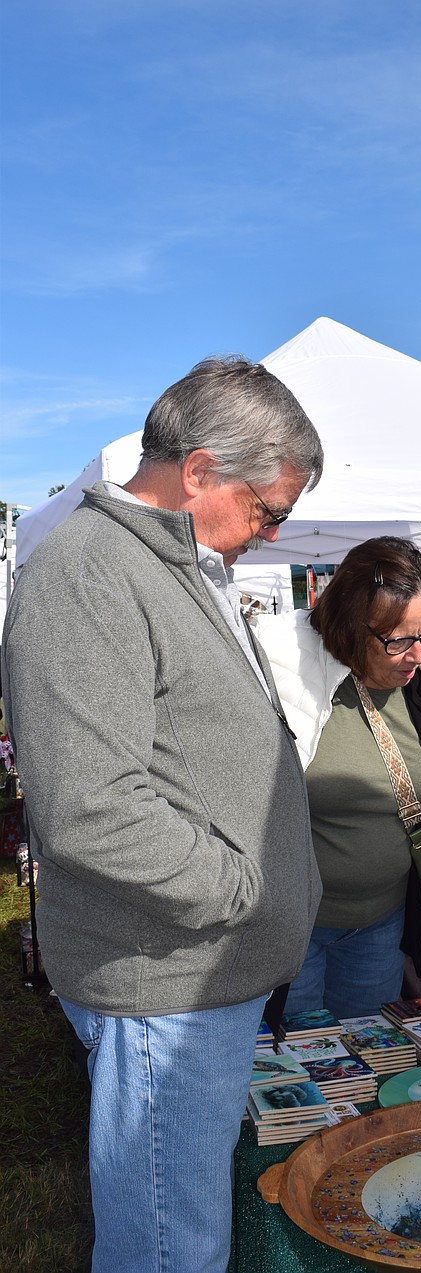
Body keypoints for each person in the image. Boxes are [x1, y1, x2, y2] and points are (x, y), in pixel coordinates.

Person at [0, 357, 324, 1273]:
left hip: (195, 972)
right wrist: (238, 891)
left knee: (180, 1234)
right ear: (200, 470)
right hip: (164, 984)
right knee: (168, 1251)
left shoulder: (169, 565)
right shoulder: (87, 572)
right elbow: (90, 808)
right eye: (268, 511)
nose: (267, 535)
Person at [255, 536, 421, 1018]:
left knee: (369, 1058)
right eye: (399, 640)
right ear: (350, 626)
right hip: (294, 928)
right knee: (295, 1064)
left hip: (381, 924)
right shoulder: (282, 668)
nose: (418, 654)